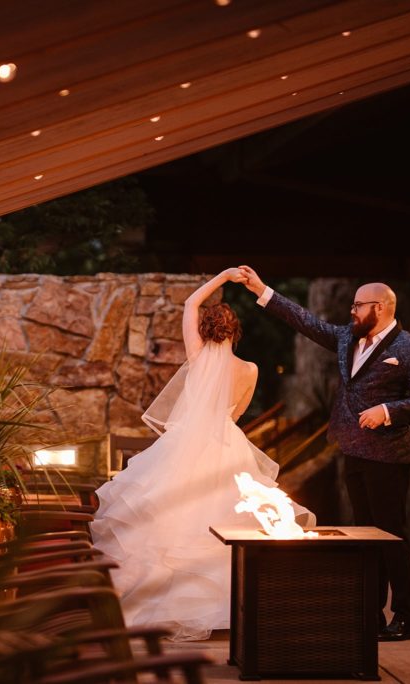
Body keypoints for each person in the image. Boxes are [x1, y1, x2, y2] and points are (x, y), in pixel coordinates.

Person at [90, 268, 313, 642]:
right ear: (235, 331)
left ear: (205, 330)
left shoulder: (196, 357)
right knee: (224, 520)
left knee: (165, 519)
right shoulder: (250, 370)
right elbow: (238, 413)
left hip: (185, 444)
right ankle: (227, 607)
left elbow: (192, 301)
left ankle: (147, 600)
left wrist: (224, 277)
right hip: (226, 444)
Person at [232, 265, 410, 642]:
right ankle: (371, 615)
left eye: (359, 305)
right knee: (364, 535)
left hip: (390, 456)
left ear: (381, 308)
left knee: (392, 536)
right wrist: (262, 289)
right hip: (353, 451)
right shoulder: (347, 339)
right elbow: (305, 321)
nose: (352, 311)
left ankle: (406, 618)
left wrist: (388, 411)